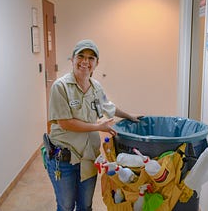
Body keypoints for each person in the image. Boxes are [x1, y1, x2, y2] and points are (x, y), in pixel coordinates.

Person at [45, 39, 141, 211]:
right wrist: (98, 127)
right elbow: (65, 123)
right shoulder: (60, 87)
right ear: (72, 59)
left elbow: (108, 107)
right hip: (65, 159)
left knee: (86, 205)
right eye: (80, 56)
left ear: (96, 64)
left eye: (91, 58)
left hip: (89, 158)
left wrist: (129, 115)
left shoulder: (96, 87)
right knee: (66, 206)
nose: (85, 62)